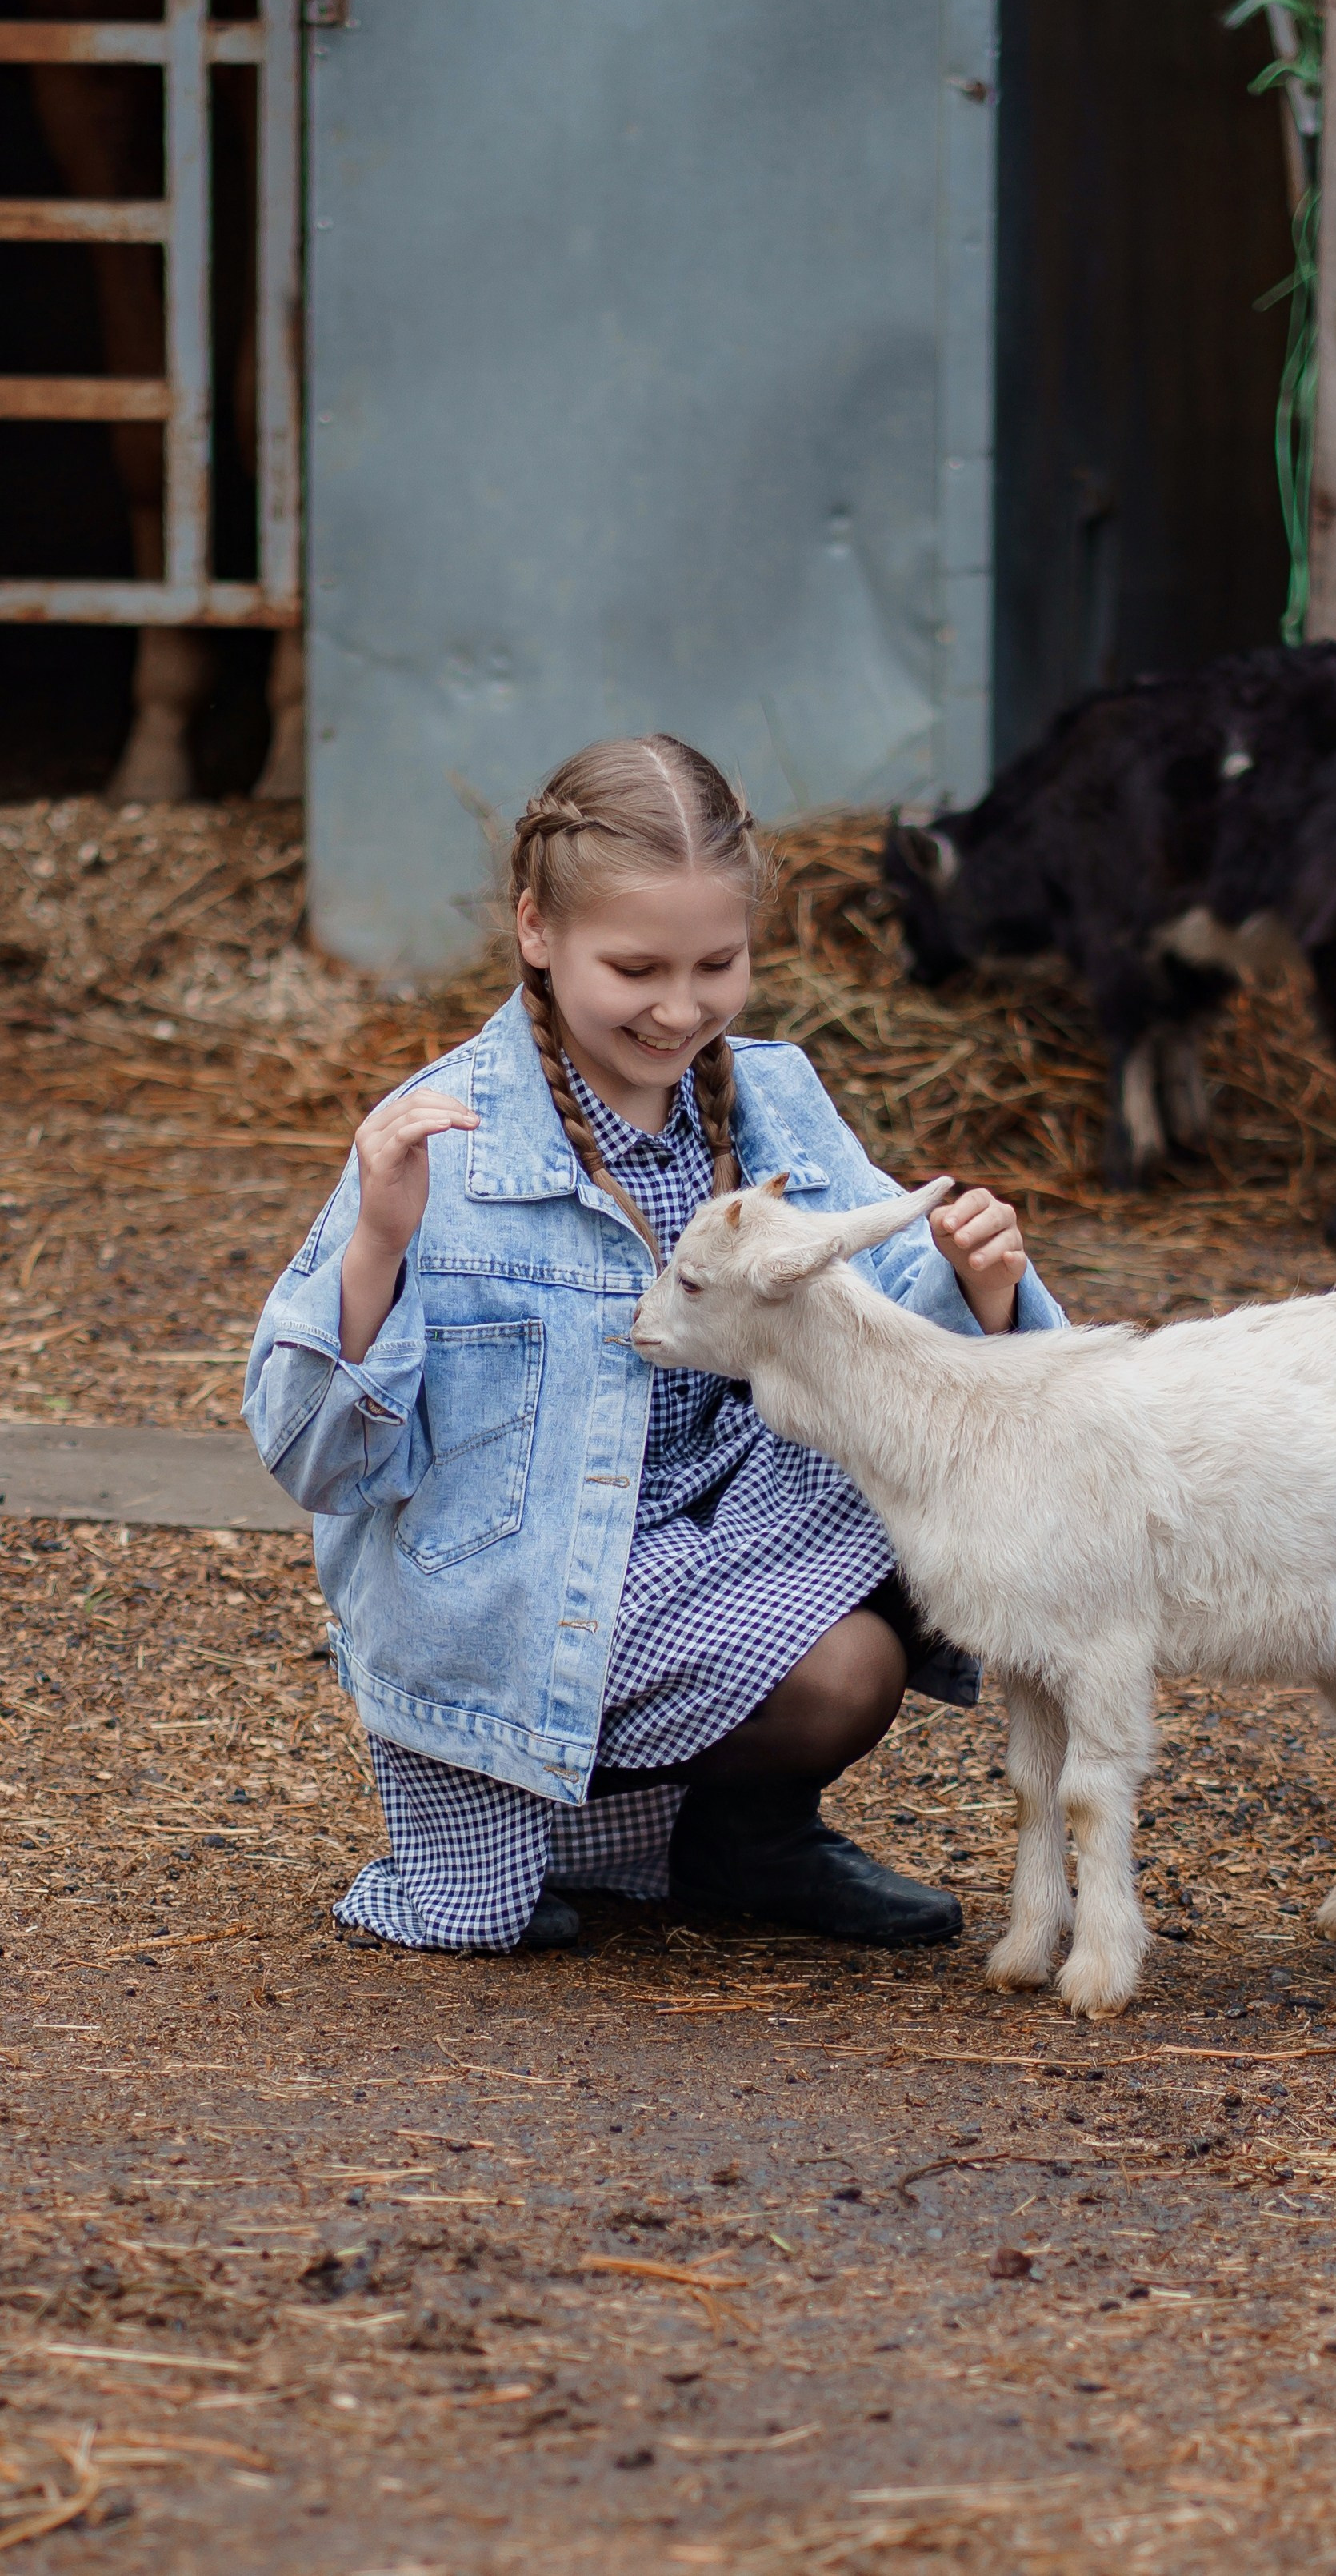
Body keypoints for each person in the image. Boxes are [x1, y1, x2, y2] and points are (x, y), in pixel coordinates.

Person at [244, 735, 1066, 1954]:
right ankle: (578, 1809)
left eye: (717, 965)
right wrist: (377, 1242)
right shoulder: (446, 1142)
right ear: (536, 929)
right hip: (535, 1579)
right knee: (845, 1674)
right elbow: (313, 1459)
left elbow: (899, 1310)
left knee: (932, 1462)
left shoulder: (772, 1098)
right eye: (635, 967)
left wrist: (978, 1285)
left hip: (723, 1530)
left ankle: (740, 1842)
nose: (680, 1009)